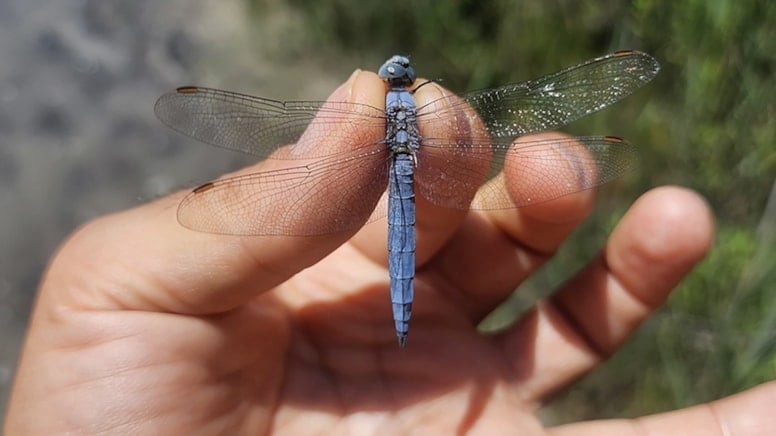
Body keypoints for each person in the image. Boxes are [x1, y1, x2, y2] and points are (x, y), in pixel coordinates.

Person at [5, 70, 774, 435]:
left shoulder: (398, 118)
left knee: (538, 169)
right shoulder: (395, 119)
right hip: (406, 187)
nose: (399, 81)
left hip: (410, 183)